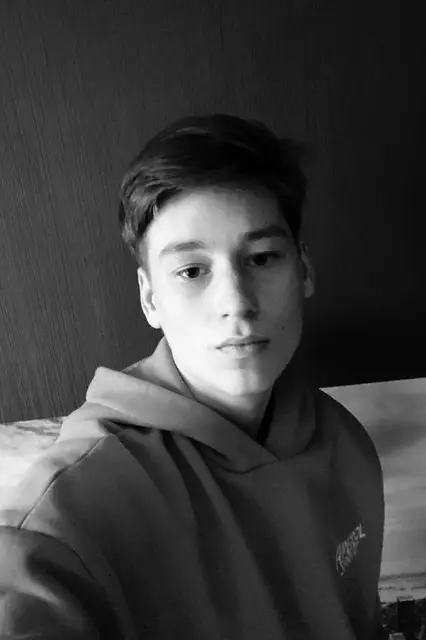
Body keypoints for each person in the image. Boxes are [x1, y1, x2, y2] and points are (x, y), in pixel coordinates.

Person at [0, 114, 385, 639]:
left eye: (262, 258)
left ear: (305, 270)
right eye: (191, 271)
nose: (236, 303)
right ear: (150, 299)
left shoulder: (345, 442)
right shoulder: (75, 508)